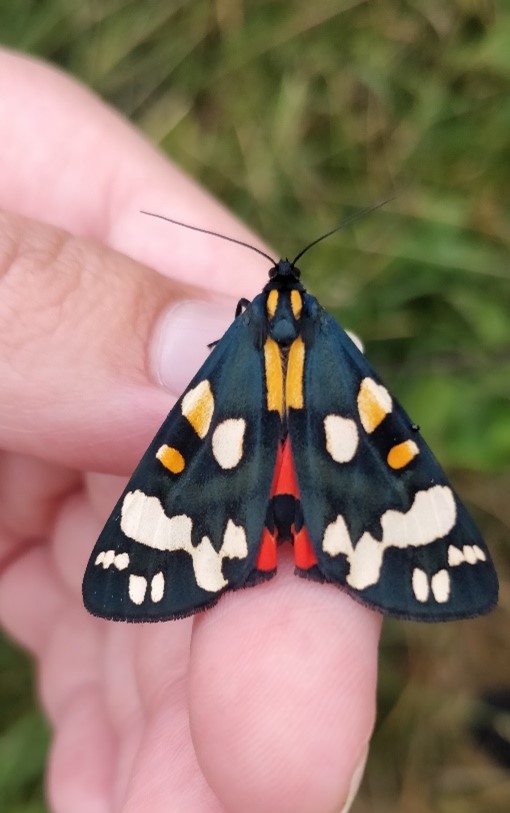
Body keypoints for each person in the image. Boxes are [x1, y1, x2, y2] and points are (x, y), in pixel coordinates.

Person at [0, 49, 380, 813]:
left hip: (221, 447)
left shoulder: (241, 336)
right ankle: (304, 534)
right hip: (309, 484)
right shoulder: (325, 339)